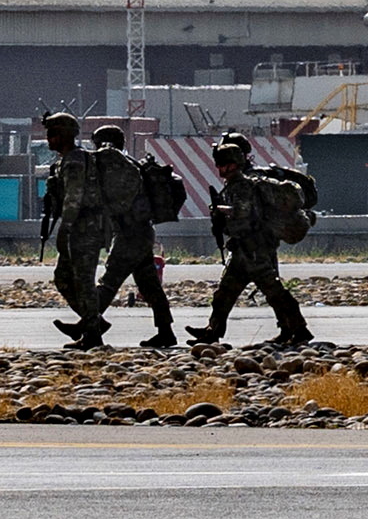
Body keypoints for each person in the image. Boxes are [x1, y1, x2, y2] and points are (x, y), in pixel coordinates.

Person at [192, 130, 313, 348]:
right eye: (219, 164)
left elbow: (242, 214)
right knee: (225, 292)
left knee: (274, 291)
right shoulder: (235, 185)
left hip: (254, 249)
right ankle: (213, 330)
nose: (220, 169)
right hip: (243, 250)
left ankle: (299, 328)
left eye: (225, 164)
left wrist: (222, 211)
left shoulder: (243, 185)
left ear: (235, 163)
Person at [35, 110, 130, 347]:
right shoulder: (66, 161)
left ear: (66, 135)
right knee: (63, 278)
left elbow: (74, 198)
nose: (49, 139)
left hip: (85, 227)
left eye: (54, 134)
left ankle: (92, 335)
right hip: (78, 226)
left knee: (83, 280)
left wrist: (65, 229)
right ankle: (94, 321)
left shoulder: (75, 161)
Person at [81, 120, 178, 344]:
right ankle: (166, 332)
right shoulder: (130, 165)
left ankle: (89, 330)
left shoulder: (119, 167)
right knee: (150, 286)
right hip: (140, 233)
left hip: (130, 234)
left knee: (109, 282)